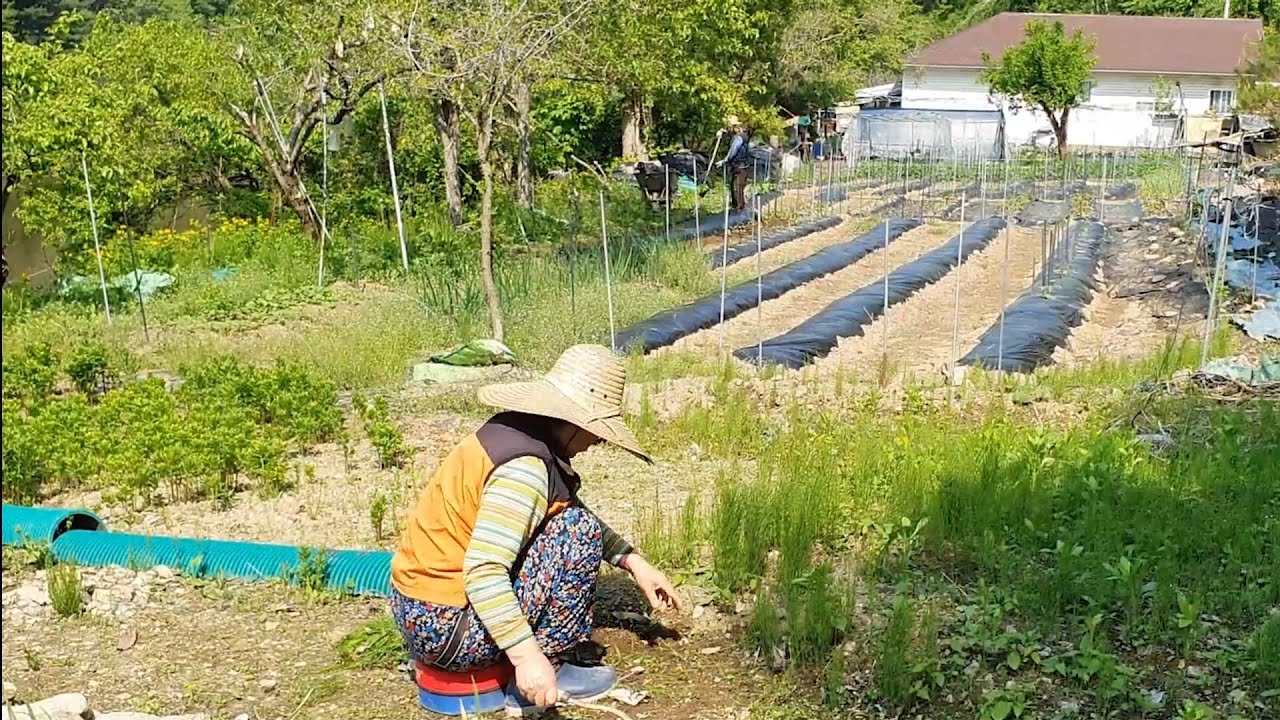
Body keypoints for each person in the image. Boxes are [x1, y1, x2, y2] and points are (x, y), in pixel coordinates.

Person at [389, 345, 682, 713]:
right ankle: (555, 665)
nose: (599, 441)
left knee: (575, 522)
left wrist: (634, 562)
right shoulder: (525, 468)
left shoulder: (512, 433)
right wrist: (528, 659)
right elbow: (484, 571)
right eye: (597, 430)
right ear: (575, 424)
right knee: (578, 534)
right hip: (450, 631)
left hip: (419, 614)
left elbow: (560, 507)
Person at [717, 116, 750, 212]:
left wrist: (724, 160)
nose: (729, 129)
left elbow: (733, 151)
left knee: (737, 188)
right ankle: (738, 207)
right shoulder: (738, 136)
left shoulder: (739, 138)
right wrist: (721, 133)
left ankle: (740, 209)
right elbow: (726, 134)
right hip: (739, 166)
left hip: (740, 166)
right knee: (736, 188)